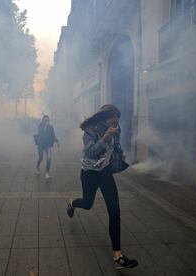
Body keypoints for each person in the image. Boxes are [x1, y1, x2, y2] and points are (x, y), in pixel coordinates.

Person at [67, 104, 138, 269]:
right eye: (113, 122)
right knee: (88, 203)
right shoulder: (90, 130)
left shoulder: (115, 128)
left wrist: (120, 154)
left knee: (115, 212)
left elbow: (116, 145)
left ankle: (118, 255)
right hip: (89, 173)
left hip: (105, 172)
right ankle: (72, 202)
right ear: (105, 118)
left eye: (116, 123)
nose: (115, 125)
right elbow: (90, 152)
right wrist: (105, 137)